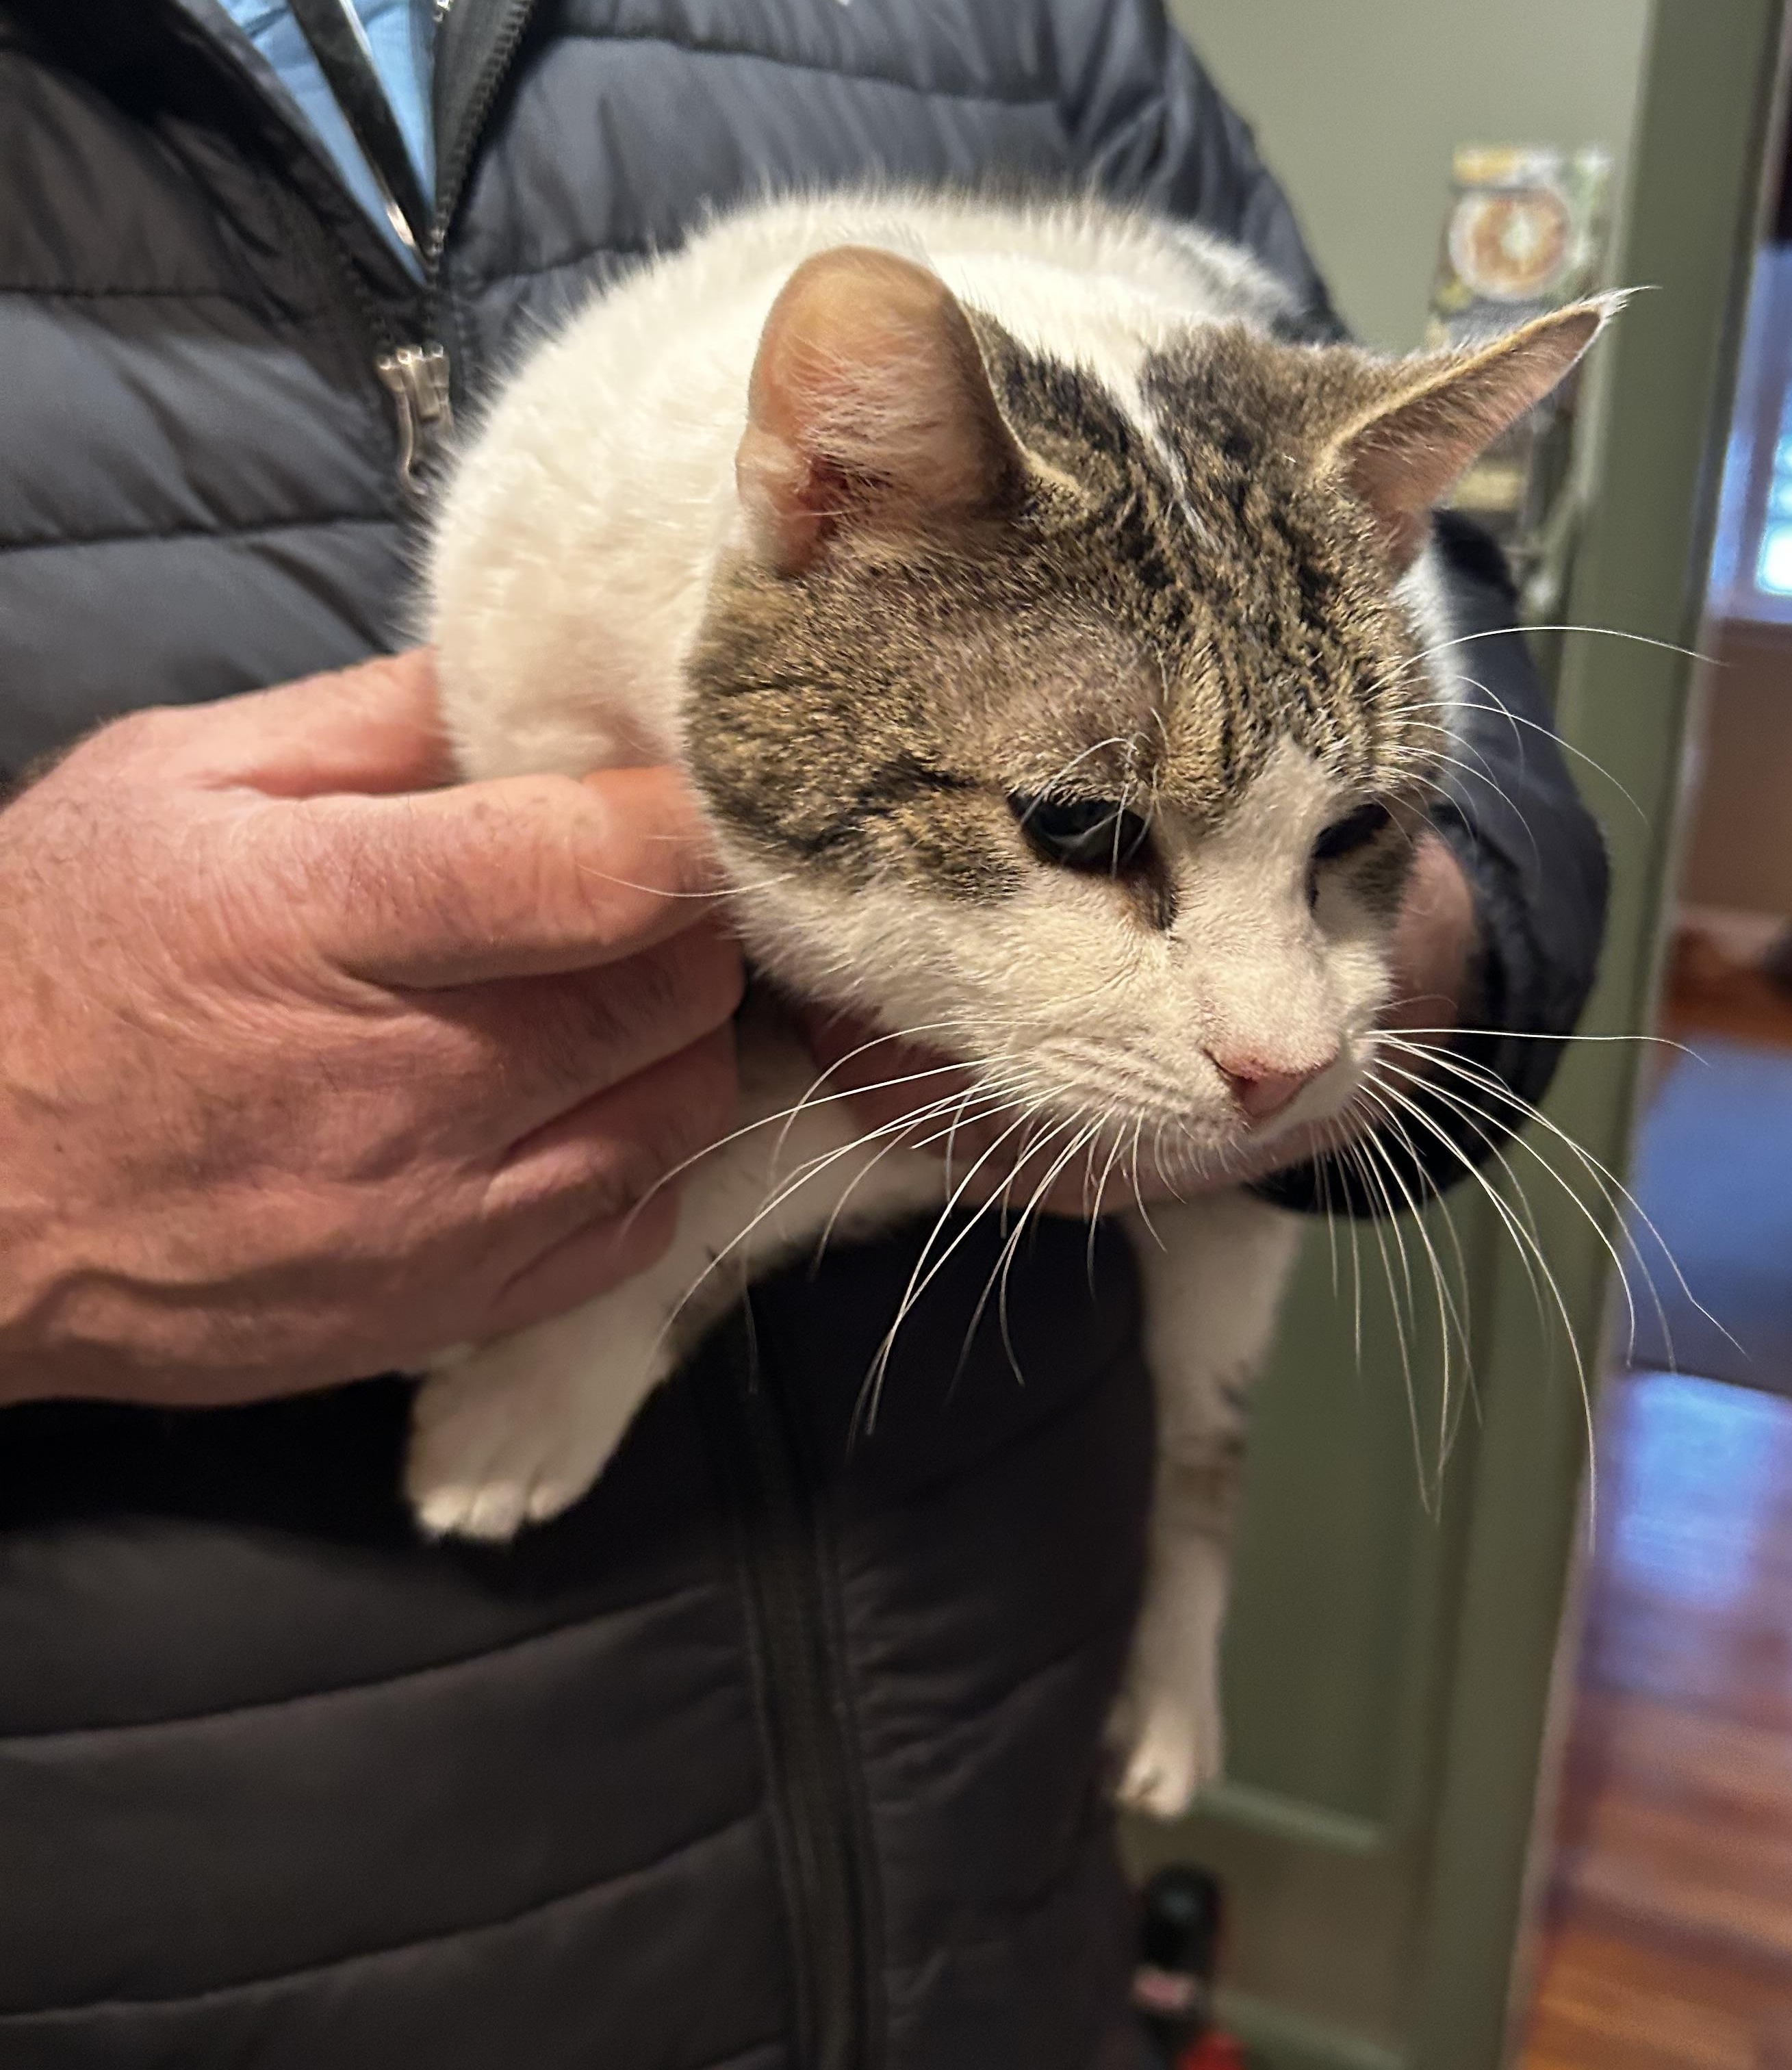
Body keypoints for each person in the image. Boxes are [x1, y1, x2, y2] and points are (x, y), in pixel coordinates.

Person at [0, 2, 1607, 2065]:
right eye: (1091, 832)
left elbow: (1485, 760)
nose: (1286, 1038)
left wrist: (1407, 916)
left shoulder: (1037, 27)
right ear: (823, 499)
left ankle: (1196, 1550)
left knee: (1228, 1262)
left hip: (984, 1871)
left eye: (1346, 845)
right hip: (209, 1923)